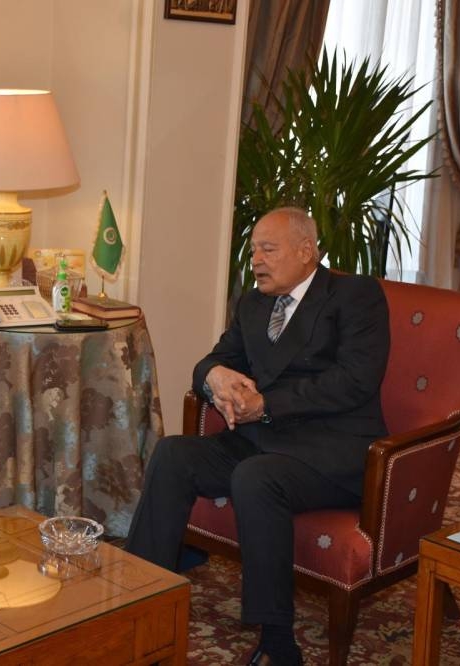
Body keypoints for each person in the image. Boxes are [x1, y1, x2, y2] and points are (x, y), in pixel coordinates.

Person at [125, 207, 390, 666]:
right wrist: (216, 376)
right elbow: (210, 362)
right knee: (173, 454)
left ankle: (278, 641)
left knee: (256, 477)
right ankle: (141, 598)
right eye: (253, 252)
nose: (256, 261)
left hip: (330, 450)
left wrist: (267, 404)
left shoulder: (354, 296)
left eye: (268, 249)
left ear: (306, 251)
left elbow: (355, 381)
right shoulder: (253, 304)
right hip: (259, 441)